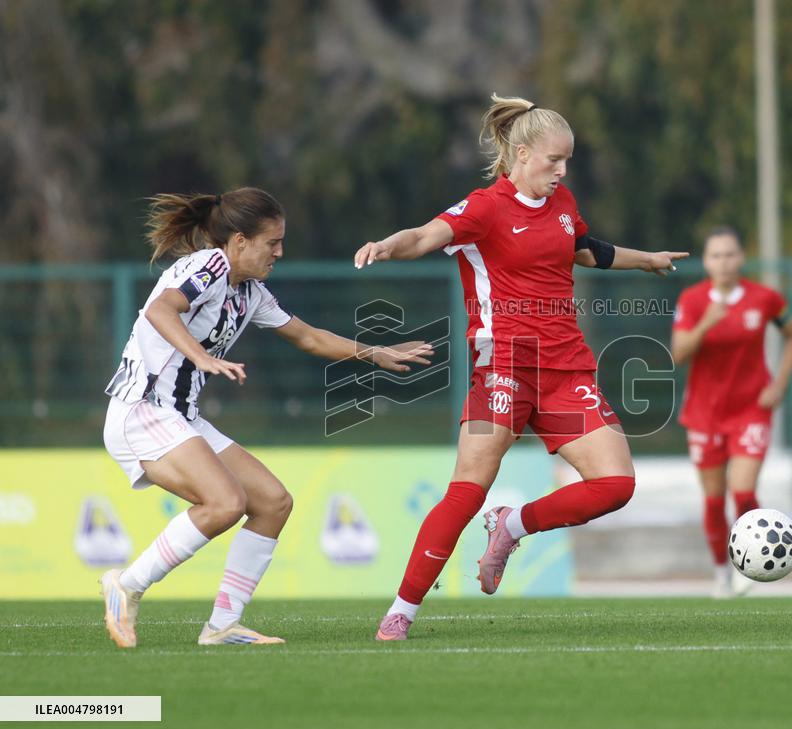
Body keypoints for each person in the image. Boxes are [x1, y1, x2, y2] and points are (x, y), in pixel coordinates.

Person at [354, 94, 689, 640]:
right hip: (502, 369)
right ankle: (402, 611)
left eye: (567, 162)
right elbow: (425, 235)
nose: (562, 171)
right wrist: (390, 245)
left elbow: (584, 249)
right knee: (465, 491)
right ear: (522, 153)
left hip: (566, 372)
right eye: (554, 161)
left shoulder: (562, 202)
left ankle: (511, 526)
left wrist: (644, 257)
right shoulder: (486, 207)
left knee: (615, 483)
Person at [100, 187, 432, 647]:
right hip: (142, 409)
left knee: (273, 502)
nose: (280, 251)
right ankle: (127, 585)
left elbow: (308, 337)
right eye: (271, 242)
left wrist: (375, 353)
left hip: (180, 416)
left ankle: (222, 626)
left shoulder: (249, 292)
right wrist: (202, 357)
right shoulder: (209, 266)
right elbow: (160, 309)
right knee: (224, 503)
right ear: (239, 242)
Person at [671, 226, 792, 598]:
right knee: (714, 501)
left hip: (750, 410)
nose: (724, 262)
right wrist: (707, 323)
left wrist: (779, 385)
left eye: (730, 255)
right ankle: (720, 572)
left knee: (743, 492)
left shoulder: (764, 299)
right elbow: (679, 354)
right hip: (705, 413)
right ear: (706, 262)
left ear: (741, 258)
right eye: (716, 256)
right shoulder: (694, 301)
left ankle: (752, 564)